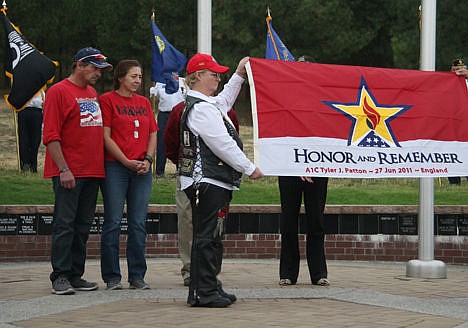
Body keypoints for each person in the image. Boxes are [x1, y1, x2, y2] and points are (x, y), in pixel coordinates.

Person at [179, 53, 263, 308]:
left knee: (213, 235)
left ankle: (207, 286)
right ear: (196, 77)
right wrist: (249, 167)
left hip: (213, 181)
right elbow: (222, 144)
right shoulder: (202, 109)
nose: (217, 77)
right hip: (207, 182)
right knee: (207, 236)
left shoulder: (206, 104)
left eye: (218, 73)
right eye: (212, 73)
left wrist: (238, 75)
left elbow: (225, 100)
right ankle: (204, 290)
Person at [43, 47, 112, 295]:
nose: (98, 74)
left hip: (92, 170)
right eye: (94, 68)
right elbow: (51, 135)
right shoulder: (58, 91)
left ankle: (75, 274)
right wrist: (63, 169)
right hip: (69, 171)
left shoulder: (92, 93)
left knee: (83, 225)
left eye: (100, 70)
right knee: (65, 223)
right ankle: (59, 275)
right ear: (80, 65)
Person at [164, 99, 240, 287]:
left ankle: (211, 270)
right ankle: (190, 270)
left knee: (216, 223)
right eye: (211, 76)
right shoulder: (180, 110)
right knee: (187, 220)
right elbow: (171, 142)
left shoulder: (227, 112)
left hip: (218, 177)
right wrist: (184, 165)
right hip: (188, 175)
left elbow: (233, 141)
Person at [99, 59, 158, 290]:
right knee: (113, 221)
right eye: (134, 76)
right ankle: (112, 276)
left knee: (138, 223)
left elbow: (153, 133)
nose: (138, 80)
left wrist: (148, 160)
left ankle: (137, 275)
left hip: (142, 169)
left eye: (140, 76)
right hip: (116, 167)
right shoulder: (107, 100)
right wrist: (125, 161)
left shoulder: (144, 103)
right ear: (121, 77)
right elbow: (106, 136)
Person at [278, 55, 330, 287]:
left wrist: (311, 164)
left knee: (316, 221)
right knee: (288, 221)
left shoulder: (323, 102)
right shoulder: (285, 100)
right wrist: (297, 165)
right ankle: (288, 273)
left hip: (317, 168)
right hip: (289, 167)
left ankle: (318, 273)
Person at [150, 74, 186, 177]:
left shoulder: (183, 81)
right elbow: (154, 98)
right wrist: (152, 91)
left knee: (179, 141)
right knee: (162, 142)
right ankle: (160, 171)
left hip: (179, 114)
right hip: (164, 114)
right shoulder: (160, 82)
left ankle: (179, 169)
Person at [448, 58, 468, 185]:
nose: (457, 72)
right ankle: (454, 181)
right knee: (451, 149)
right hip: (453, 122)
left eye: (460, 69)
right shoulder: (447, 83)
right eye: (454, 70)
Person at [17, 89, 45, 172]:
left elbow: (44, 103)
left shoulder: (40, 90)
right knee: (23, 139)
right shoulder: (21, 87)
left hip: (37, 113)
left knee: (35, 140)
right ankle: (24, 164)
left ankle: (33, 166)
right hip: (23, 111)